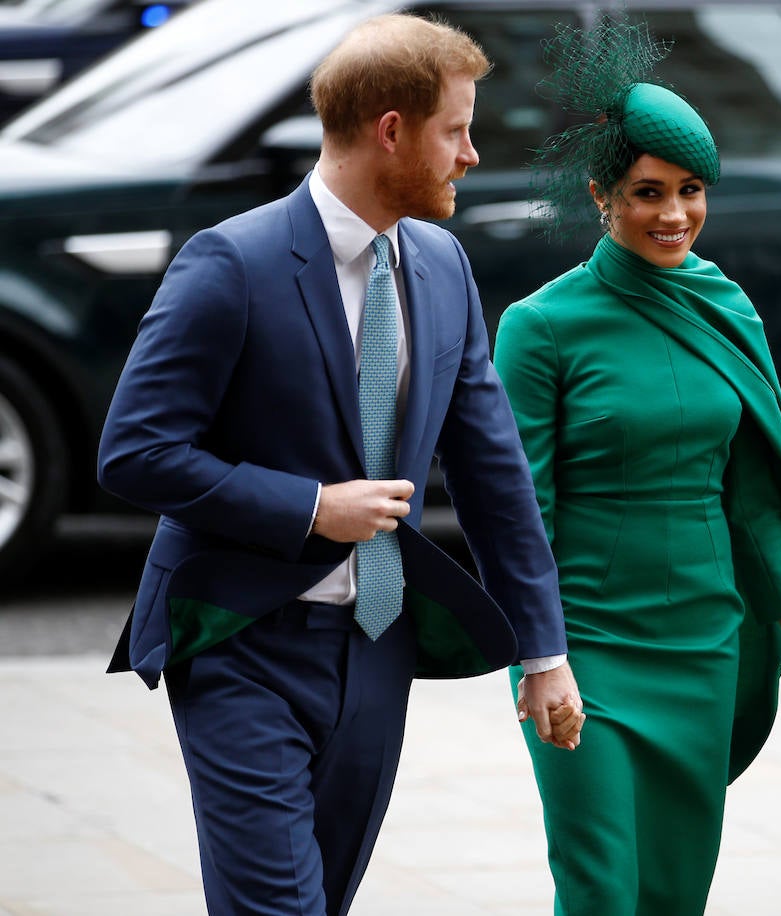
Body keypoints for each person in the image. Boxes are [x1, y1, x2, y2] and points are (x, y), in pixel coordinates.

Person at [96, 14, 583, 916]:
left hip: (377, 647)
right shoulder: (229, 264)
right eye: (455, 130)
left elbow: (493, 472)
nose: (471, 155)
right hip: (242, 639)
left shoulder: (441, 263)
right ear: (391, 129)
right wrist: (309, 507)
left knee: (324, 898)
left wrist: (544, 651)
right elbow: (135, 452)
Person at [490, 20, 781, 916]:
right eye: (648, 192)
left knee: (672, 896)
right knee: (601, 889)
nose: (675, 214)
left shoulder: (726, 307)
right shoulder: (541, 326)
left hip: (704, 649)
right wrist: (542, 657)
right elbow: (517, 512)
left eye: (692, 191)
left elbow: (758, 504)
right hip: (587, 653)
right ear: (600, 195)